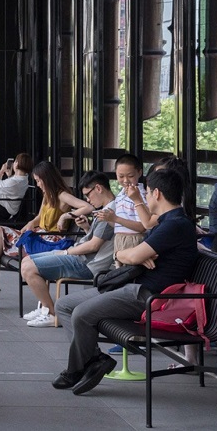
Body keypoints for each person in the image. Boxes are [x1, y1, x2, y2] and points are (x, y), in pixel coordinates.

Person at [52, 168, 198, 395]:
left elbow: (131, 256)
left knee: (81, 313)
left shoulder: (175, 225)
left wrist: (128, 255)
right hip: (133, 288)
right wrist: (131, 254)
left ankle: (76, 368)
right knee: (64, 305)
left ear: (157, 193)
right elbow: (136, 245)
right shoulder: (167, 221)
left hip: (149, 296)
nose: (146, 196)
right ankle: (95, 360)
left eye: (148, 192)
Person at [0, 161, 93, 307]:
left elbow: (87, 207)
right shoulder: (48, 194)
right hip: (38, 235)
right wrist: (28, 225)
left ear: (47, 179)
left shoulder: (62, 195)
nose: (38, 184)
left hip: (48, 241)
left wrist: (66, 216)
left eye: (39, 181)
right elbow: (39, 217)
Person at [20, 171, 115, 328]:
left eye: (88, 194)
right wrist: (86, 228)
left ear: (98, 188)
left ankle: (51, 313)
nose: (87, 200)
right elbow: (96, 242)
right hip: (81, 257)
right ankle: (45, 309)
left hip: (86, 264)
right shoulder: (106, 210)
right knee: (26, 261)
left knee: (29, 268)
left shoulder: (108, 213)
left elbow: (94, 246)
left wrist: (66, 252)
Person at [93, 153, 148, 266]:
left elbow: (142, 226)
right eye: (121, 176)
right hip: (119, 239)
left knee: (130, 276)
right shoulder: (120, 195)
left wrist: (116, 218)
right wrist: (108, 218)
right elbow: (120, 225)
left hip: (134, 240)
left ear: (139, 173)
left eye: (130, 176)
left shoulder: (141, 195)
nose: (126, 180)